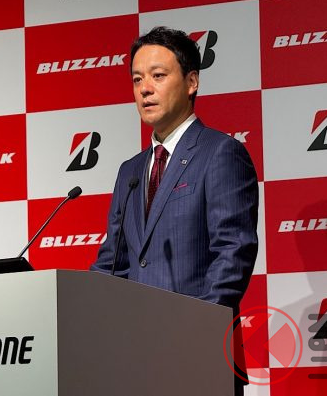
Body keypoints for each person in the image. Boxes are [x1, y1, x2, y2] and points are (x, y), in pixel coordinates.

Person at [90, 26, 258, 396]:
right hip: (136, 360)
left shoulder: (221, 153)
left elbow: (233, 253)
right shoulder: (130, 171)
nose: (145, 89)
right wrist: (79, 309)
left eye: (158, 76)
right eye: (137, 79)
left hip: (199, 356)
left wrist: (193, 332)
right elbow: (113, 263)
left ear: (192, 82)